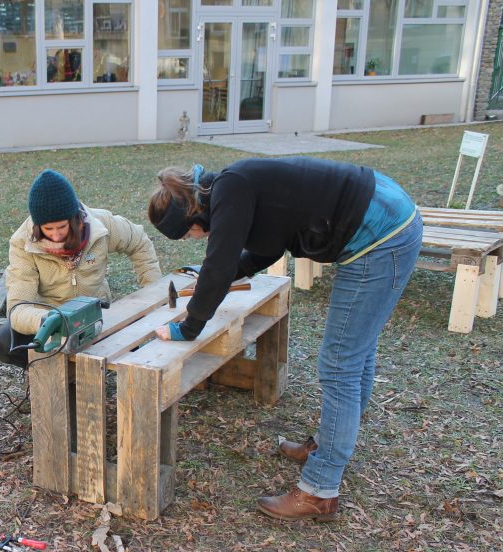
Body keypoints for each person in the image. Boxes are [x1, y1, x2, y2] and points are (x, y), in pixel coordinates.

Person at [148, 157, 422, 522]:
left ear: (192, 218)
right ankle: (328, 446)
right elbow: (267, 246)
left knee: (340, 363)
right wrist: (225, 274)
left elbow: (221, 259)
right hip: (388, 216)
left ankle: (320, 491)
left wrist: (189, 326)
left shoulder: (230, 190)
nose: (194, 239)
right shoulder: (231, 187)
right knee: (356, 353)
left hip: (381, 236)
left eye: (187, 235)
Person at [0, 169, 163, 368]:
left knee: (130, 344)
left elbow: (139, 242)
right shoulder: (23, 244)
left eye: (61, 227)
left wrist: (153, 293)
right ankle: (61, 372)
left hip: (95, 313)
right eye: (48, 229)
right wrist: (49, 321)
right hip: (51, 316)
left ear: (75, 220)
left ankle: (85, 366)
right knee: (3, 343)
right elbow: (18, 307)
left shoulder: (101, 226)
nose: (55, 236)